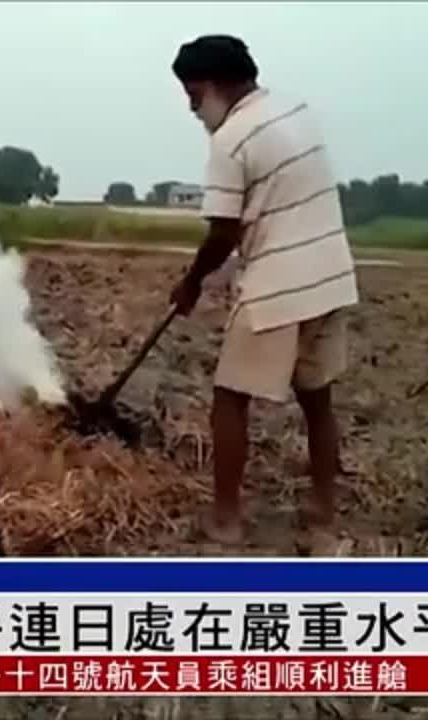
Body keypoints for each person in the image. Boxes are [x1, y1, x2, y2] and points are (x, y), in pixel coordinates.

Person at [167, 34, 359, 545]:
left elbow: (223, 231)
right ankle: (323, 512)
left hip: (278, 285)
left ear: (215, 86)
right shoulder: (296, 111)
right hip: (333, 274)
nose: (192, 109)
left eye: (193, 95)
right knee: (318, 399)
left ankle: (226, 521)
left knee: (229, 398)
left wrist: (190, 283)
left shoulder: (231, 139)